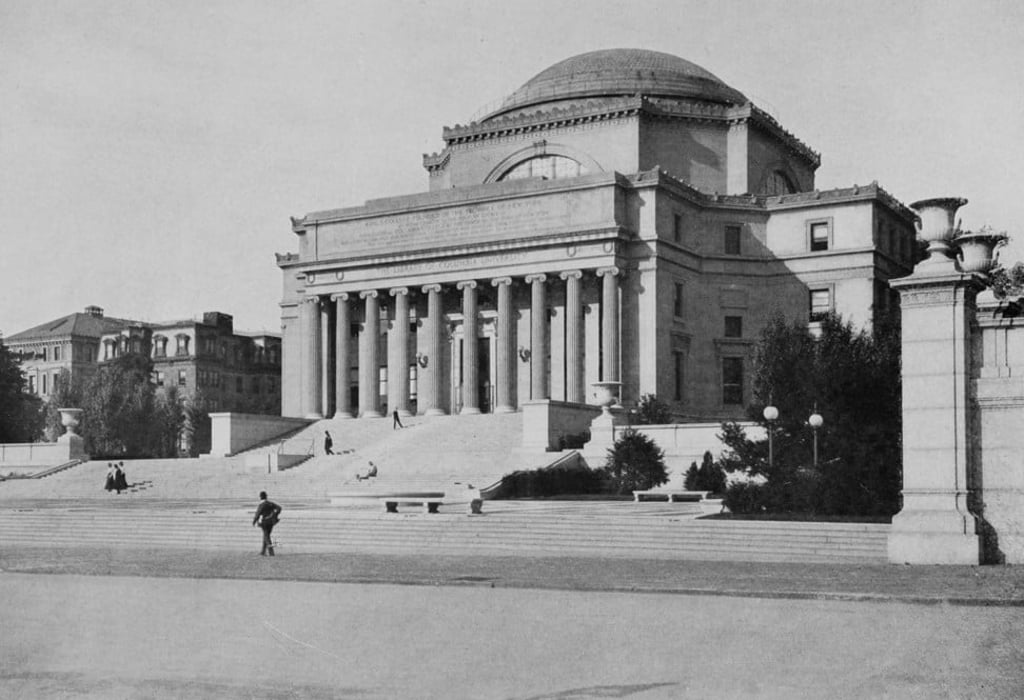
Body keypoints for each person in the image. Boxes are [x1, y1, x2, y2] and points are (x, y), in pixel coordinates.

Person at [252, 491, 282, 556]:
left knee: (266, 537)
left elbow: (258, 514)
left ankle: (271, 552)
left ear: (260, 497)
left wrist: (254, 521)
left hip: (264, 522)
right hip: (271, 522)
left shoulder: (261, 505)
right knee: (266, 535)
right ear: (266, 497)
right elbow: (279, 508)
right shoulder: (270, 503)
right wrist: (275, 514)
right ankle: (263, 552)